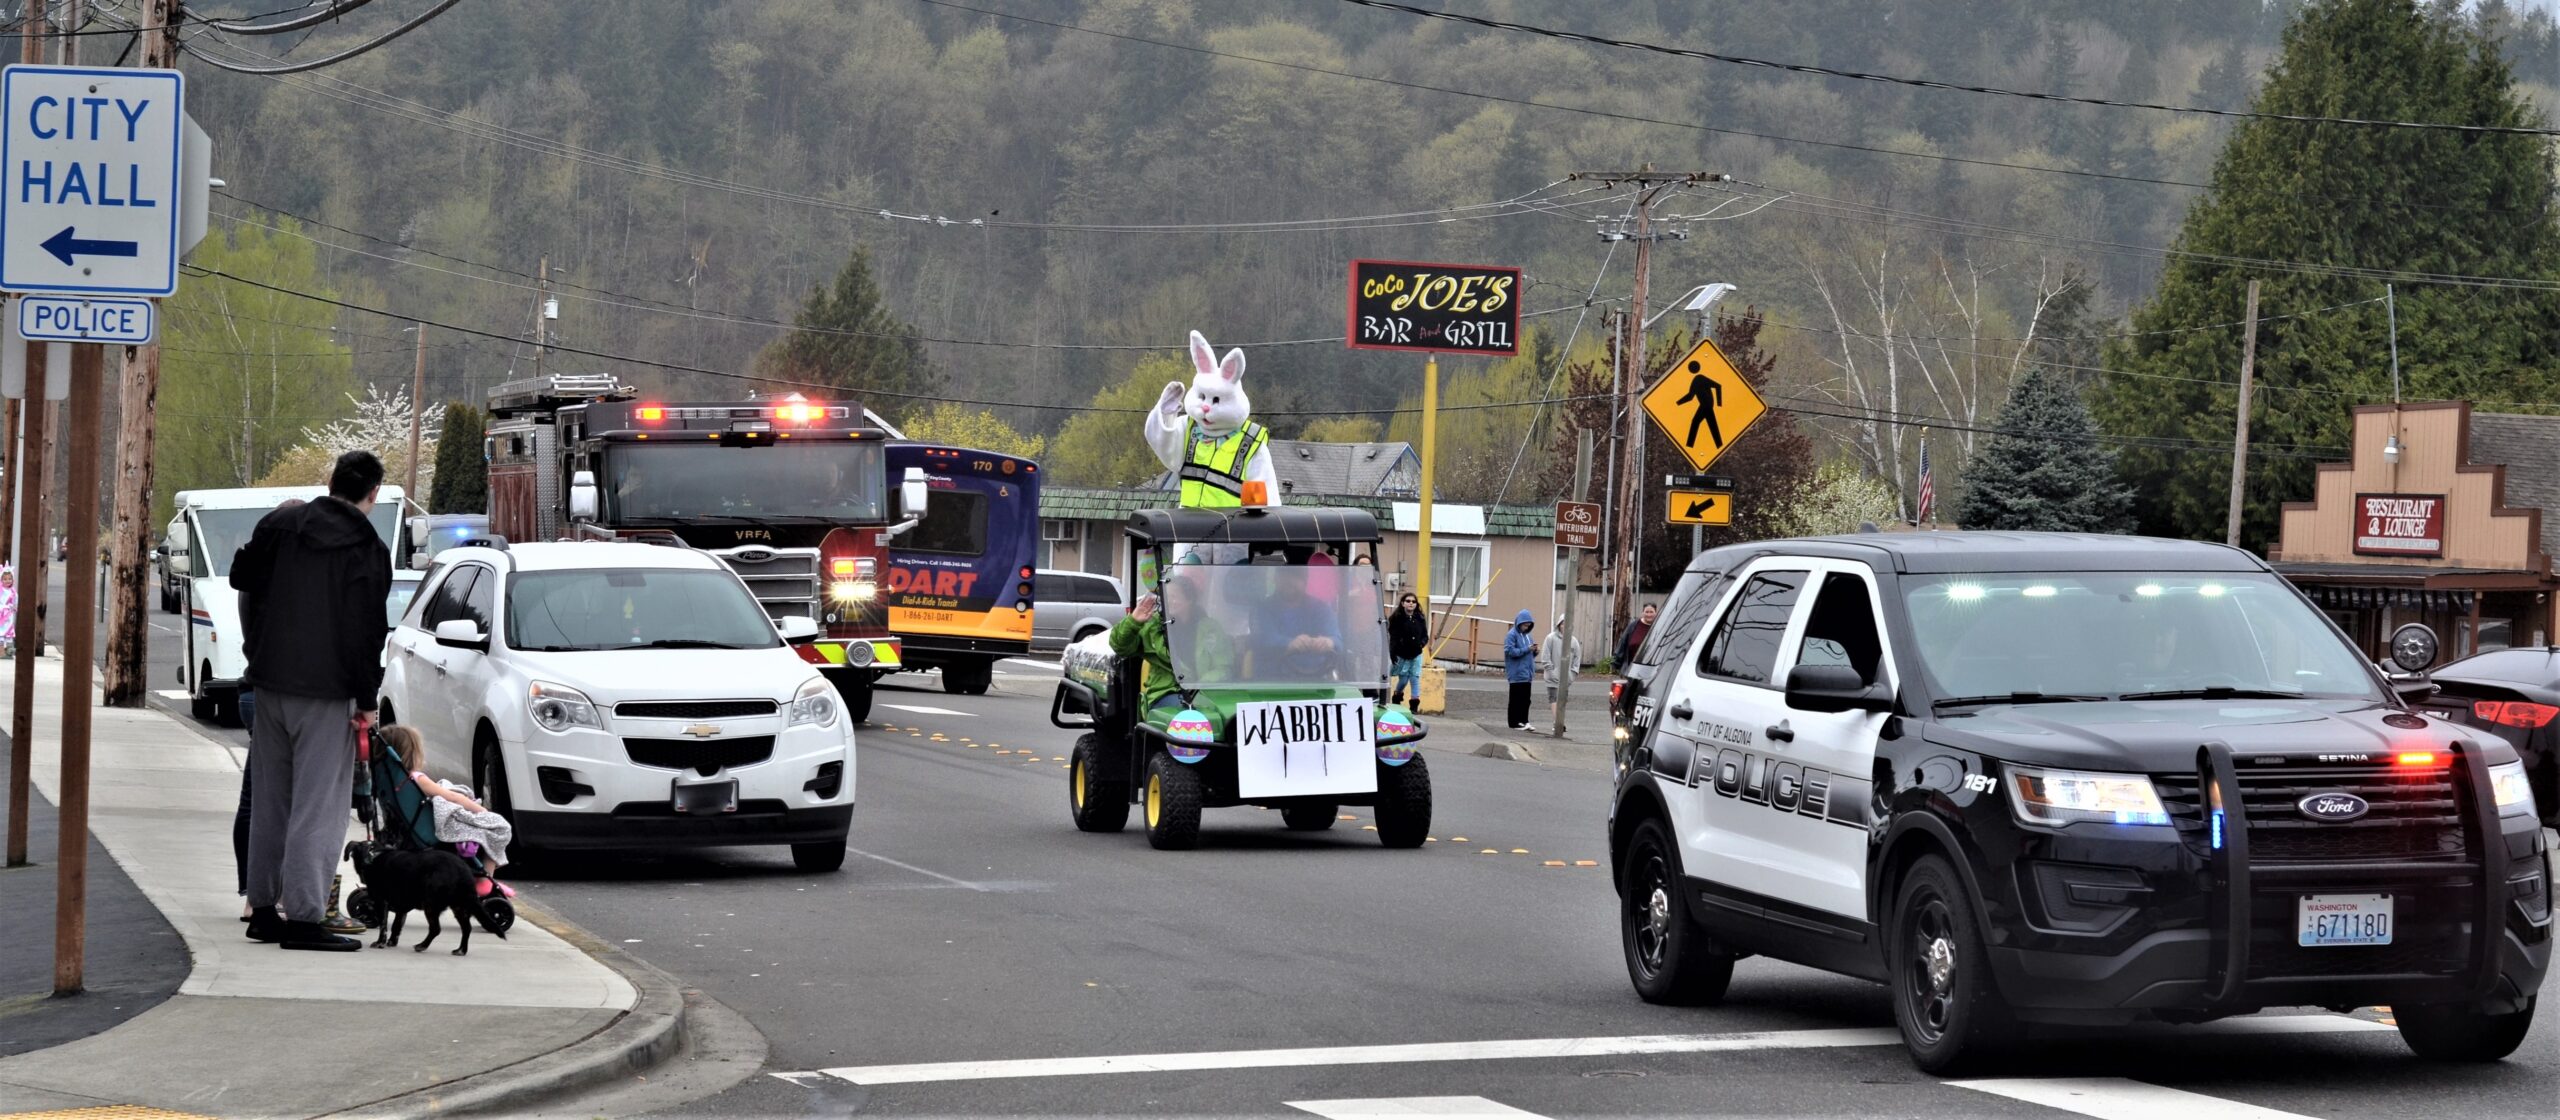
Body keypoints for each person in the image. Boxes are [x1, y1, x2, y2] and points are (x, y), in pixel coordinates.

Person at [231, 453, 393, 953]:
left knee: (272, 804)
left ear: (331, 482)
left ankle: (262, 910)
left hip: (269, 684)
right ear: (372, 494)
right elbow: (368, 632)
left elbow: (241, 576)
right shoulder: (366, 547)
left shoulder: (283, 523)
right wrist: (367, 701)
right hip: (326, 692)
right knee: (319, 809)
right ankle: (304, 919)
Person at [378, 724, 515, 894]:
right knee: (498, 826)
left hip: (405, 830)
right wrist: (481, 810)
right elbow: (451, 797)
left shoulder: (391, 782)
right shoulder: (416, 779)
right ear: (413, 753)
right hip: (436, 830)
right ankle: (484, 880)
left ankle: (482, 879)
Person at [1109, 576, 1231, 717]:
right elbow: (1119, 646)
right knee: (1193, 716)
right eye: (1166, 597)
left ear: (1189, 600)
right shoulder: (1153, 625)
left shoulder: (1210, 628)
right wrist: (1133, 621)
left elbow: (1224, 667)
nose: (1168, 601)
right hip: (1167, 693)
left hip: (1206, 693)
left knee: (1226, 717)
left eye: (1174, 596)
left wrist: (1199, 687)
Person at [1248, 567, 1343, 679]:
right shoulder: (1262, 609)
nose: (1289, 581)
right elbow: (1262, 641)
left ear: (1305, 581)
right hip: (1272, 683)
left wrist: (1329, 642)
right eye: (1284, 575)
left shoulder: (1321, 609)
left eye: (1295, 576)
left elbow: (1338, 642)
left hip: (1317, 681)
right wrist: (1289, 644)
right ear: (1275, 579)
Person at [1387, 591, 1428, 707]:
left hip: (1416, 653)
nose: (1411, 603)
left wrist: (1421, 644)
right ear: (1403, 603)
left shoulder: (1420, 618)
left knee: (1414, 678)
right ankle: (1397, 696)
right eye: (1408, 601)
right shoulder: (1396, 619)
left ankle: (1414, 704)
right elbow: (1393, 638)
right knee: (1404, 680)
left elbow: (1425, 635)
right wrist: (1392, 653)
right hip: (1402, 654)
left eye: (1414, 601)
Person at [1504, 609, 1536, 730]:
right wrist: (1527, 649)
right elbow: (1510, 651)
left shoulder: (1528, 636)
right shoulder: (1511, 635)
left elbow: (1529, 654)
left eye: (1528, 625)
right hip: (1516, 673)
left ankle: (1524, 720)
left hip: (1527, 673)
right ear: (1519, 623)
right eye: (1524, 625)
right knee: (1515, 700)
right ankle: (1513, 722)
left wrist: (1534, 651)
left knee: (1526, 700)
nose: (1526, 627)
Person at [1542, 624, 1584, 710]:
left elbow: (1577, 658)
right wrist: (1551, 672)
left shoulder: (1573, 641)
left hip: (1566, 678)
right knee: (1553, 698)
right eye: (1562, 624)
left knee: (1563, 700)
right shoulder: (1551, 638)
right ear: (1559, 625)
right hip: (1552, 677)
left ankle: (1560, 721)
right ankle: (1557, 722)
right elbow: (1545, 657)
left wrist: (1573, 673)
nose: (1564, 626)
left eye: (1567, 623)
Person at [1616, 603, 1657, 668]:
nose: (1649, 615)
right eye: (1646, 612)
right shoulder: (1633, 626)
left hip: (1652, 667)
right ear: (1642, 613)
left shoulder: (1659, 626)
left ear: (1656, 613)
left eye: (1651, 612)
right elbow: (1623, 643)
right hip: (1631, 667)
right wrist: (1617, 662)